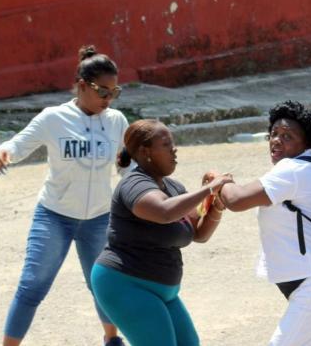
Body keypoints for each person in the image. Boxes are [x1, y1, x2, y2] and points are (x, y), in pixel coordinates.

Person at [0, 45, 128, 346]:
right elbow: (19, 144)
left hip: (99, 218)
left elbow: (126, 167)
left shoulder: (117, 121)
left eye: (113, 92)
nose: (108, 99)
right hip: (54, 216)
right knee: (32, 286)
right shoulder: (54, 118)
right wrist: (5, 152)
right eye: (102, 91)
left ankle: (111, 340)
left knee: (103, 286)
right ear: (82, 86)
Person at [216, 101, 311, 345]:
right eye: (273, 134)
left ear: (308, 143)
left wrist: (218, 180)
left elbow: (236, 200)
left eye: (287, 136)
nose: (276, 140)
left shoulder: (293, 170)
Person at [90, 119, 233, 346]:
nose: (174, 149)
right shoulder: (134, 185)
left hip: (164, 290)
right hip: (125, 283)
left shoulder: (174, 188)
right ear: (146, 152)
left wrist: (215, 204)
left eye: (172, 143)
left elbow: (198, 234)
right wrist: (208, 188)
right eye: (166, 144)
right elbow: (165, 212)